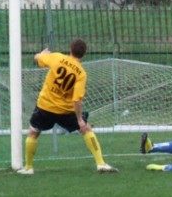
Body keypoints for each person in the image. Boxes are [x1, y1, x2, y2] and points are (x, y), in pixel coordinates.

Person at [17, 39, 118, 174]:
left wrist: (41, 54)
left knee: (33, 133)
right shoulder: (81, 73)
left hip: (45, 106)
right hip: (65, 110)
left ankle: (28, 167)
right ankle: (100, 163)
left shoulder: (57, 58)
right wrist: (80, 119)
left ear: (70, 49)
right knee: (86, 130)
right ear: (85, 53)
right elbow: (77, 99)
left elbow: (38, 58)